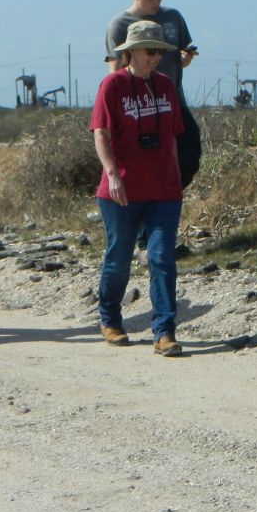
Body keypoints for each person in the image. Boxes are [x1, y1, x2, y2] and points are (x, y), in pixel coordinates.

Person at [91, 20, 186, 357]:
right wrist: (113, 174)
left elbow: (172, 135)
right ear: (131, 51)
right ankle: (110, 318)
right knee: (119, 257)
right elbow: (100, 133)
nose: (155, 57)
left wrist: (175, 177)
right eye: (149, 51)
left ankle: (164, 331)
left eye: (159, 51)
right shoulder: (112, 85)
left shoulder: (165, 85)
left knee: (162, 258)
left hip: (163, 190)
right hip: (122, 191)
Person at [105, 0, 201, 189]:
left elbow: (182, 56)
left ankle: (170, 194)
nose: (155, 3)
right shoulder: (119, 24)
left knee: (190, 150)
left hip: (174, 100)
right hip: (140, 105)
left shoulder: (173, 17)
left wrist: (186, 57)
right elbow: (114, 69)